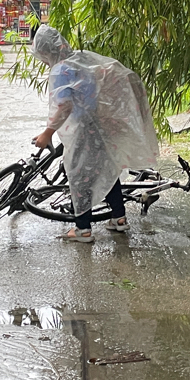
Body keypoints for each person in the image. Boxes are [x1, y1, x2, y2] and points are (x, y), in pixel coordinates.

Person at [31, 25, 158, 242]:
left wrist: (47, 133)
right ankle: (119, 218)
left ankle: (83, 229)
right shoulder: (82, 59)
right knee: (105, 170)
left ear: (45, 52)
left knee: (81, 178)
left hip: (83, 131)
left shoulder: (60, 70)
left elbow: (64, 106)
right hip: (100, 125)